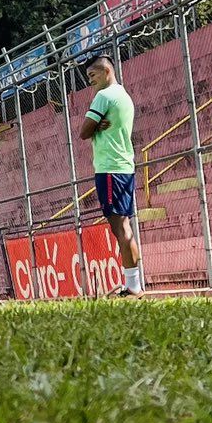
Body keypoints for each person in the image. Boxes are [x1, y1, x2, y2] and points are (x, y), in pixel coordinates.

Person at [80, 53, 142, 297]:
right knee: (125, 226)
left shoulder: (104, 96)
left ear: (107, 72)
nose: (90, 81)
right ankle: (134, 284)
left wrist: (94, 124)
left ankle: (133, 287)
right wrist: (98, 124)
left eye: (92, 75)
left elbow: (84, 131)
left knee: (120, 228)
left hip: (110, 169)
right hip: (125, 167)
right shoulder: (124, 97)